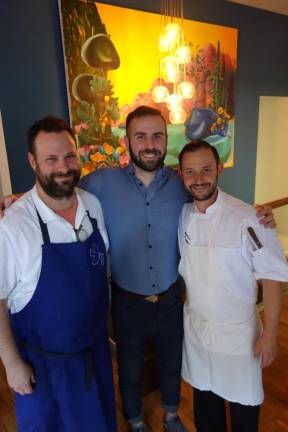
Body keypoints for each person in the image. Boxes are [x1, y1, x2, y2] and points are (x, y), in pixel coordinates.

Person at [0, 107, 275, 432]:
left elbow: (215, 200)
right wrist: (18, 199)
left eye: (157, 136)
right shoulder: (99, 184)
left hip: (171, 300)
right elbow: (61, 188)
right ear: (126, 141)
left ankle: (172, 416)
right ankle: (136, 421)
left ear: (166, 140)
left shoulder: (180, 181)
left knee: (171, 365)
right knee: (129, 371)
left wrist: (259, 214)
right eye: (140, 136)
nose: (149, 144)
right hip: (126, 303)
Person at [0, 116, 116, 432]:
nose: (63, 167)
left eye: (69, 156)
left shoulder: (92, 205)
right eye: (51, 159)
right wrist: (12, 365)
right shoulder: (13, 226)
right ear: (33, 162)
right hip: (44, 369)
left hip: (94, 353)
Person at [177, 140, 288, 432]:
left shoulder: (248, 218)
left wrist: (271, 334)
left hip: (239, 338)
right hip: (198, 333)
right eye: (190, 171)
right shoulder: (183, 216)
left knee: (243, 414)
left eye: (205, 170)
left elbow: (273, 276)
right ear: (181, 175)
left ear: (219, 170)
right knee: (205, 408)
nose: (199, 179)